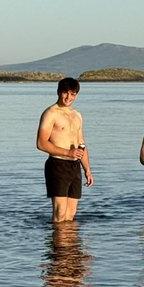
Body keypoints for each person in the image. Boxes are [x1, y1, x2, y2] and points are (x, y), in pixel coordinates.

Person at [36, 77, 93, 223]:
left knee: (70, 214)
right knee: (60, 212)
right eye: (65, 93)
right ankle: (56, 238)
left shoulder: (77, 115)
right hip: (57, 164)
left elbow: (81, 144)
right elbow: (41, 143)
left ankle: (69, 239)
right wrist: (68, 152)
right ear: (59, 92)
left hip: (75, 166)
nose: (68, 97)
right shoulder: (50, 113)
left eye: (72, 94)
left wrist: (87, 169)